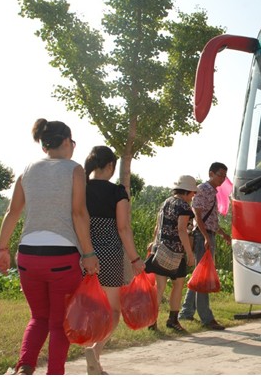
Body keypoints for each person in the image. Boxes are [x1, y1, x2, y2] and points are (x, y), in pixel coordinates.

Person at [0, 119, 99, 375]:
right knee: (58, 323)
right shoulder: (74, 170)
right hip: (61, 257)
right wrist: (88, 253)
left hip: (28, 256)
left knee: (38, 317)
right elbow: (78, 213)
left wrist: (1, 249)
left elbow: (12, 212)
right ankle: (54, 372)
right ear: (67, 142)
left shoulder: (27, 170)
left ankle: (24, 367)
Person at [82, 146, 145, 375]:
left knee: (87, 307)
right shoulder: (117, 192)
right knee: (113, 311)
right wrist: (135, 259)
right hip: (110, 256)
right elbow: (123, 228)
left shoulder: (81, 188)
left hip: (84, 254)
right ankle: (95, 350)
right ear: (110, 166)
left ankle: (94, 358)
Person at [179, 163, 231, 330]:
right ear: (211, 174)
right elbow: (198, 215)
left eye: (224, 176)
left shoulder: (212, 192)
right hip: (203, 236)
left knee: (199, 275)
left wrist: (223, 234)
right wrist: (206, 237)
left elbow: (211, 220)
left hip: (208, 234)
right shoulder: (203, 189)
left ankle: (186, 312)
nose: (222, 179)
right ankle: (206, 318)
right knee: (204, 277)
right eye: (220, 175)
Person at [145, 175, 197, 332]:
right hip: (175, 252)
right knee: (178, 284)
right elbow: (182, 230)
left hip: (160, 249)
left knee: (159, 287)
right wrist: (189, 253)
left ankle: (152, 320)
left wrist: (153, 242)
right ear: (187, 191)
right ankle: (172, 320)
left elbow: (158, 226)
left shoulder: (166, 202)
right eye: (193, 193)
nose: (193, 196)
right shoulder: (184, 207)